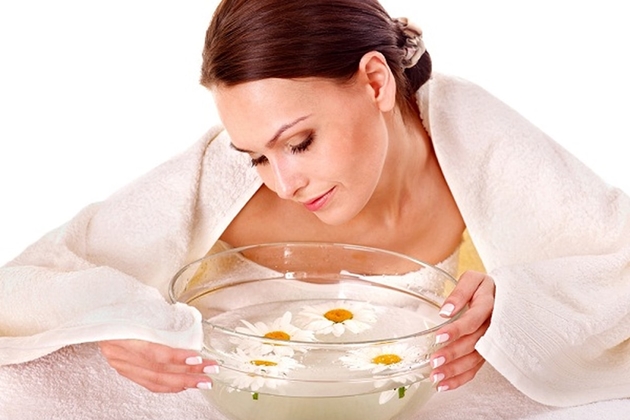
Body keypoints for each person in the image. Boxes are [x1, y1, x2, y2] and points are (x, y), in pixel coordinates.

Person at [1, 0, 629, 418]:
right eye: (256, 156)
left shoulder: (472, 134)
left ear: (376, 82)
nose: (285, 183)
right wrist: (110, 321)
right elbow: (27, 287)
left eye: (300, 142)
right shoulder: (214, 182)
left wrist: (522, 303)